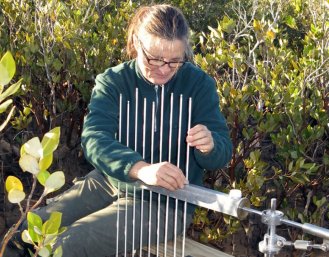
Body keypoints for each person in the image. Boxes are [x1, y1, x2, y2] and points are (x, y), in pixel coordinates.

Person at [8, 4, 232, 257]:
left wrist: (210, 145)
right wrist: (141, 169)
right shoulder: (113, 81)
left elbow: (222, 151)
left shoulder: (198, 84)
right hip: (108, 181)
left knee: (67, 245)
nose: (163, 69)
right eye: (154, 58)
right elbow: (94, 139)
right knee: (29, 230)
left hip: (167, 202)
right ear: (137, 42)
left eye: (174, 61)